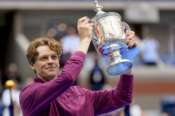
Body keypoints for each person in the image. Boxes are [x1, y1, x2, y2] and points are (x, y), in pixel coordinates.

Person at [19, 16, 137, 116]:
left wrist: (125, 60)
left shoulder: (81, 94)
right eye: (44, 58)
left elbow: (122, 97)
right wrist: (85, 39)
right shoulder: (30, 93)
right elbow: (67, 78)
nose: (50, 61)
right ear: (32, 65)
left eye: (54, 57)